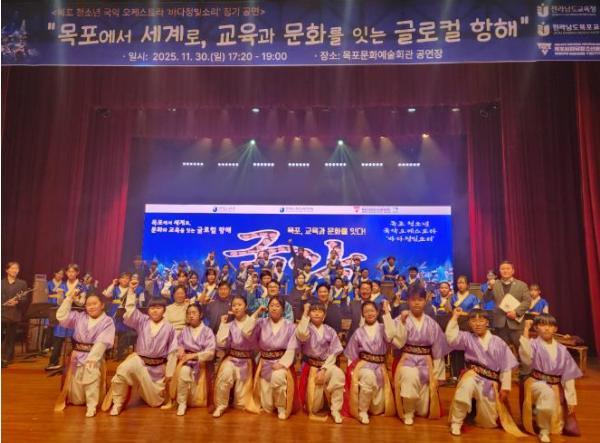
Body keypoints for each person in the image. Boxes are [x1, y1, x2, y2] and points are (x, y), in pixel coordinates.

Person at [446, 308, 524, 437]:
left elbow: (506, 365)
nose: (477, 324)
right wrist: (454, 318)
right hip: (473, 374)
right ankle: (456, 422)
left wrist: (505, 387)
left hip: (490, 382)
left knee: (488, 422)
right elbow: (451, 339)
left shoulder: (498, 342)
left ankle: (473, 412)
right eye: (473, 320)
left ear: (487, 322)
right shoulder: (467, 337)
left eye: (481, 320)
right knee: (465, 388)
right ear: (469, 323)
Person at [103, 294, 178, 416]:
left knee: (155, 402)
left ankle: (143, 392)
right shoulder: (142, 321)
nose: (155, 310)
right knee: (122, 370)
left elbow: (173, 351)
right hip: (140, 362)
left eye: (158, 307)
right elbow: (130, 313)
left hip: (157, 371)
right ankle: (118, 403)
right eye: (152, 307)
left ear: (164, 310)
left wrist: (169, 373)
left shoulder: (170, 328)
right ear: (148, 310)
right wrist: (131, 292)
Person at [520, 315, 582, 442]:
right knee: (546, 393)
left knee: (556, 426)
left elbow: (569, 377)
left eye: (550, 325)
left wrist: (571, 400)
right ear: (536, 328)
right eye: (542, 325)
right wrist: (526, 330)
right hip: (536, 382)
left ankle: (539, 417)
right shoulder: (532, 344)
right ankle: (544, 431)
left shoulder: (562, 350)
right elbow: (526, 359)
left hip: (555, 386)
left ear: (555, 329)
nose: (547, 328)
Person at [391, 286, 448, 425]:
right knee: (410, 375)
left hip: (426, 362)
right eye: (413, 300)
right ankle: (408, 412)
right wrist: (402, 323)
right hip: (407, 359)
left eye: (420, 300)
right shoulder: (400, 319)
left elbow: (438, 351)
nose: (416, 303)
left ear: (425, 301)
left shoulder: (432, 324)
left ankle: (416, 408)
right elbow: (396, 343)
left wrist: (439, 376)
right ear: (408, 301)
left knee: (423, 411)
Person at [54, 292, 115, 417]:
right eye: (88, 304)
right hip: (77, 357)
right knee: (77, 399)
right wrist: (69, 298)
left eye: (94, 304)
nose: (91, 307)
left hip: (94, 357)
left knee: (91, 374)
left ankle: (92, 406)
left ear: (102, 305)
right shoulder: (79, 317)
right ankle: (82, 399)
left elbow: (102, 342)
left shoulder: (107, 321)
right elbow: (61, 317)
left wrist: (92, 359)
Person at [345, 300, 396, 424]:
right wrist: (351, 373)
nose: (369, 313)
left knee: (378, 408)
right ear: (362, 314)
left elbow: (391, 335)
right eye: (366, 311)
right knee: (368, 376)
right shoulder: (358, 332)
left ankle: (370, 408)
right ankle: (362, 411)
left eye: (372, 311)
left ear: (377, 312)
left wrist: (387, 311)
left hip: (380, 367)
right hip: (364, 365)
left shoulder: (383, 328)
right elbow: (351, 355)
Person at [246, 297, 298, 419]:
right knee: (267, 406)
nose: (274, 308)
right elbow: (246, 331)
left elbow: (292, 348)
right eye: (272, 305)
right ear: (268, 308)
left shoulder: (290, 326)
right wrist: (257, 312)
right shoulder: (261, 322)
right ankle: (272, 404)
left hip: (281, 362)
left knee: (277, 378)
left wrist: (282, 364)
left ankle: (281, 407)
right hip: (264, 363)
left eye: (277, 306)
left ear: (283, 309)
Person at [296, 302, 345, 423]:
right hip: (311, 368)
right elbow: (301, 335)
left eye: (320, 311)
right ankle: (321, 400)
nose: (317, 313)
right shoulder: (306, 328)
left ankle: (336, 409)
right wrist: (305, 312)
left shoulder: (330, 330)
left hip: (327, 366)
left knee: (338, 374)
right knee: (314, 407)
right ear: (309, 314)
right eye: (314, 311)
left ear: (324, 315)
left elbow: (334, 352)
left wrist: (324, 369)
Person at [213, 295, 259, 417]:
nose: (236, 308)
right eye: (234, 305)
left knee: (241, 403)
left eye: (239, 305)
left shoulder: (254, 323)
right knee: (225, 375)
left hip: (246, 361)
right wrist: (223, 324)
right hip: (232, 358)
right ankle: (221, 405)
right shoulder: (229, 325)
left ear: (246, 306)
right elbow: (220, 343)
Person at [171, 304, 216, 416]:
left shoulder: (207, 331)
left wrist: (193, 356)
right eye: (189, 313)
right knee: (183, 372)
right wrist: (180, 349)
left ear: (201, 314)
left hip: (201, 362)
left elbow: (211, 353)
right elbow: (179, 344)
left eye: (194, 313)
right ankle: (182, 403)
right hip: (186, 361)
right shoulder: (184, 331)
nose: (191, 315)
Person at [482, 261, 531, 350]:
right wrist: (489, 288)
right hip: (499, 324)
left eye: (508, 268)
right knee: (501, 351)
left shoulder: (522, 285)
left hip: (516, 324)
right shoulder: (494, 284)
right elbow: (486, 299)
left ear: (513, 271)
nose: (505, 271)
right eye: (502, 269)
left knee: (521, 351)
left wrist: (516, 312)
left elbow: (527, 301)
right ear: (499, 271)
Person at [47, 264, 86, 370]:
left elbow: (82, 303)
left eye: (73, 271)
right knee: (58, 338)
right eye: (69, 272)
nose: (71, 274)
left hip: (76, 315)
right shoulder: (62, 285)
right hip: (64, 314)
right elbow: (59, 303)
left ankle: (77, 362)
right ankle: (53, 362)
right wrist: (60, 296)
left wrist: (75, 299)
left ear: (77, 273)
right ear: (66, 273)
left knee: (75, 339)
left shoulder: (81, 286)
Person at [1, 262, 29, 366]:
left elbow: (25, 299)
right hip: (2, 313)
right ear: (7, 270)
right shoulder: (1, 283)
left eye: (17, 268)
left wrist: (17, 302)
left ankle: (8, 358)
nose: (15, 270)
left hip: (14, 313)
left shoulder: (22, 283)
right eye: (12, 268)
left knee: (11, 338)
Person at [45, 268, 72, 371]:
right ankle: (52, 359)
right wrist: (58, 296)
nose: (60, 275)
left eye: (62, 274)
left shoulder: (69, 284)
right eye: (58, 273)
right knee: (55, 333)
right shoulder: (52, 284)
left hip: (69, 312)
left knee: (73, 337)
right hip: (55, 308)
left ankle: (74, 362)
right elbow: (47, 294)